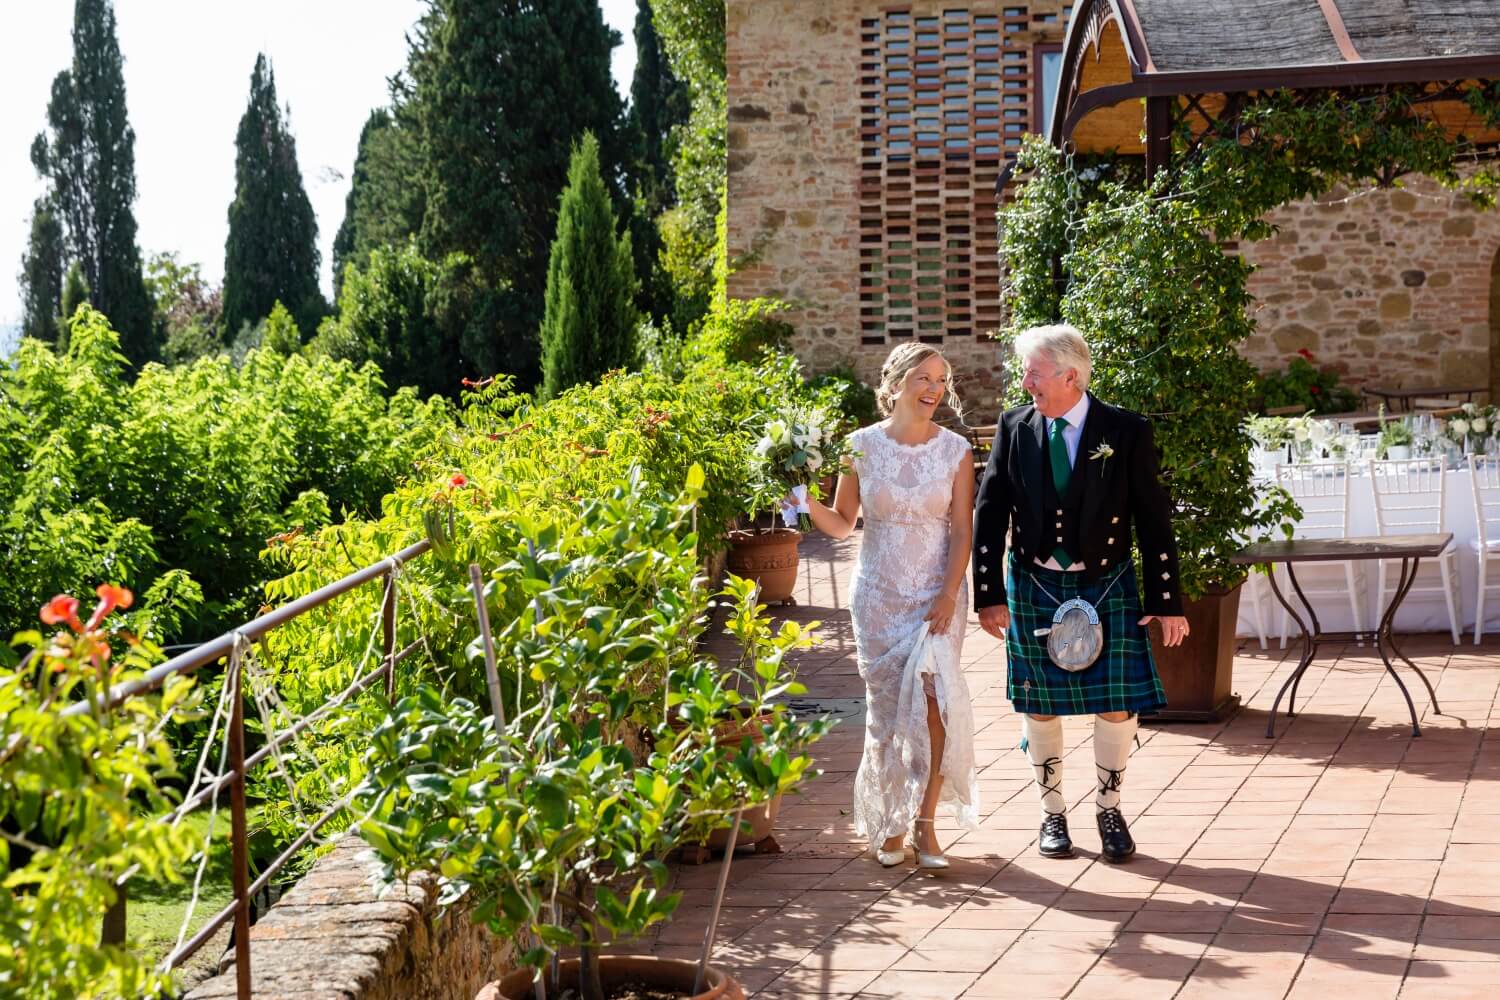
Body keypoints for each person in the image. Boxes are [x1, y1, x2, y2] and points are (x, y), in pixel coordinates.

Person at [972, 324, 1189, 863]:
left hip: (1107, 579)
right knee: (1040, 707)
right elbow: (990, 510)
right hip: (1035, 581)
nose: (1026, 383)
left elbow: (1153, 517)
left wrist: (1166, 601)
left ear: (1070, 376)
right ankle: (1052, 815)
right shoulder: (1015, 427)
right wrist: (988, 592)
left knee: (1116, 703)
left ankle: (1109, 808)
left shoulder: (1125, 430)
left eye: (1035, 373)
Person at [792, 342, 978, 869]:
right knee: (887, 712)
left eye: (940, 380)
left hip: (936, 597)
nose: (934, 390)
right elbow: (843, 522)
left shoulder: (955, 451)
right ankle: (890, 824)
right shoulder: (860, 447)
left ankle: (927, 826)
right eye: (923, 378)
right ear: (894, 383)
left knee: (935, 706)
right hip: (877, 596)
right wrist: (805, 499)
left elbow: (962, 529)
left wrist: (947, 593)